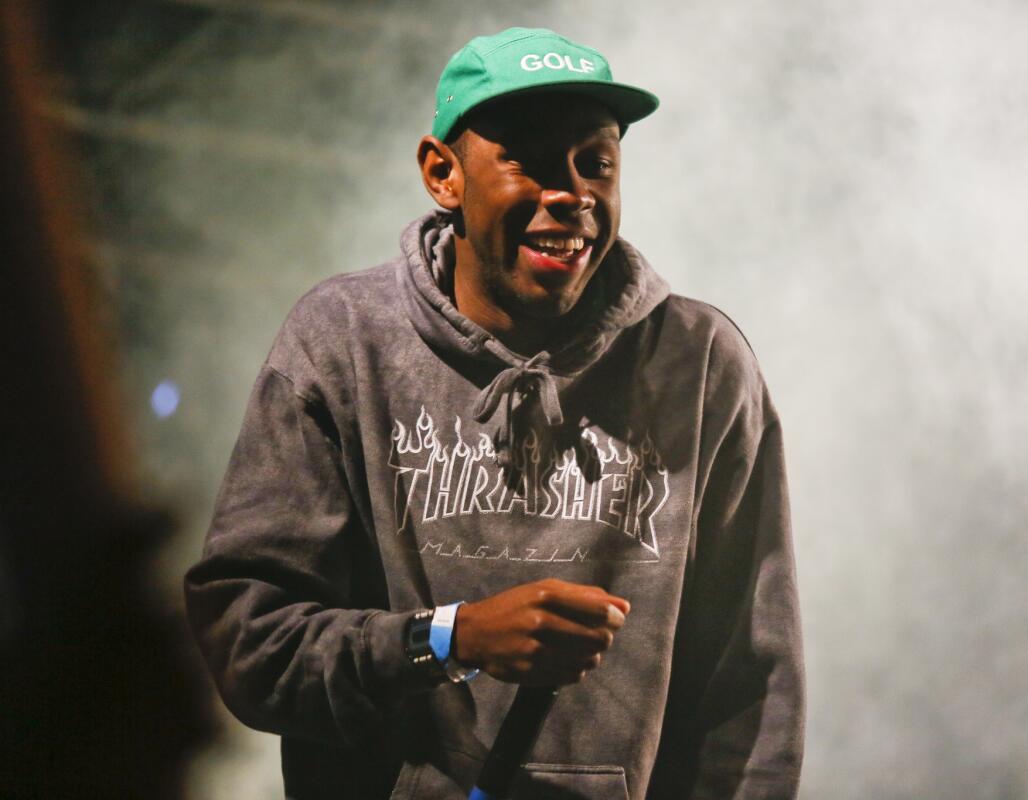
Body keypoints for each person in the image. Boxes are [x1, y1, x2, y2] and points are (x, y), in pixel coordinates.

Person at [185, 26, 804, 800]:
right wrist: (449, 639)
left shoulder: (702, 364)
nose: (571, 193)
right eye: (530, 160)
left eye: (596, 164)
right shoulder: (341, 341)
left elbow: (751, 688)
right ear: (443, 174)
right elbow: (249, 642)